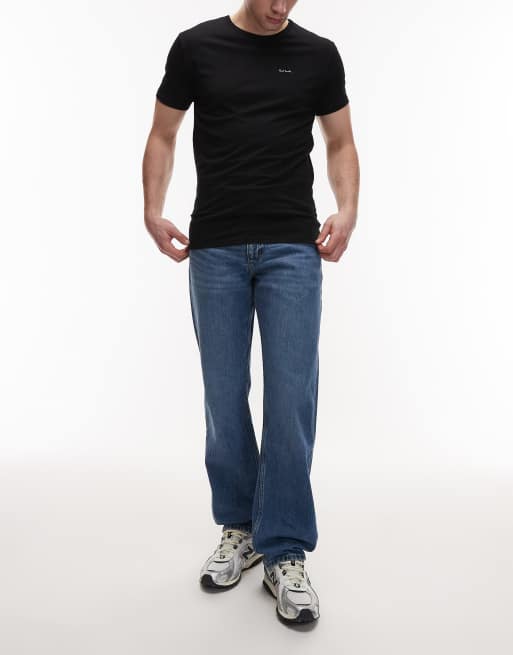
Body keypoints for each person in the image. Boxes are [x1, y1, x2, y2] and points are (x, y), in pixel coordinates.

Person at [142, 0, 359, 625]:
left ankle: (284, 548)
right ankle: (239, 526)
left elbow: (340, 141)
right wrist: (152, 209)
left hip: (293, 247)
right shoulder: (196, 46)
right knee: (223, 393)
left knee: (291, 397)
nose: (280, 7)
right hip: (215, 249)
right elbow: (163, 132)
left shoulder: (318, 54)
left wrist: (347, 209)